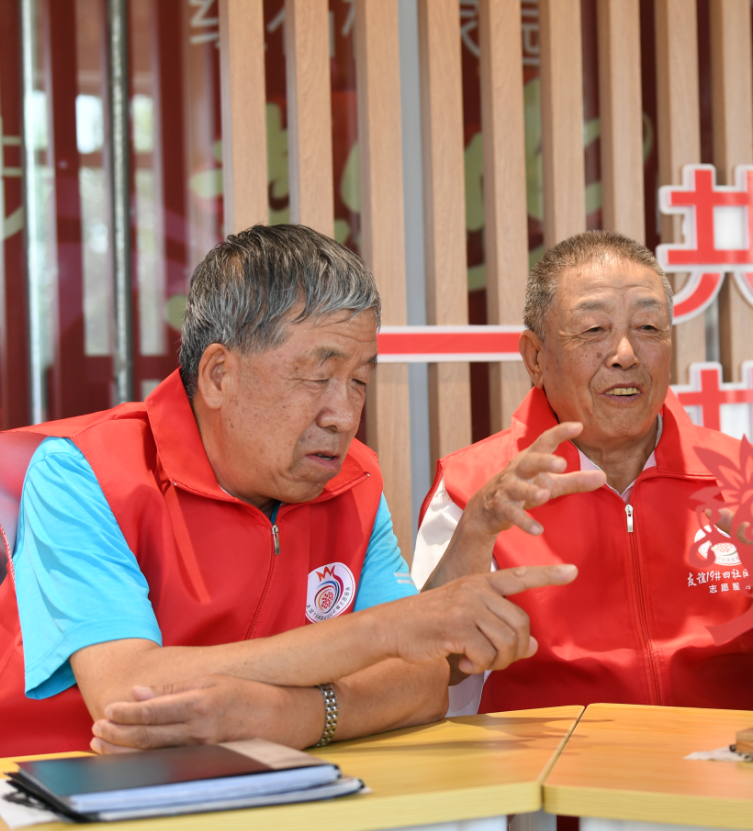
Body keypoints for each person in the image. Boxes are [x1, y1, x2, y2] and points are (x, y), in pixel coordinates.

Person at [0, 224, 575, 756]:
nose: (343, 415)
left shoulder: (354, 480)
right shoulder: (83, 471)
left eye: (359, 381)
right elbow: (127, 689)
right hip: (62, 789)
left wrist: (289, 716)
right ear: (219, 375)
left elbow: (421, 682)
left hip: (263, 789)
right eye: (317, 377)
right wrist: (383, 633)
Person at [413, 230, 753, 715]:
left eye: (648, 327)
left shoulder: (752, 480)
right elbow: (430, 670)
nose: (626, 353)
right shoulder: (473, 491)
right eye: (593, 330)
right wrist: (478, 528)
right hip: (546, 758)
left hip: (732, 755)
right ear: (536, 357)